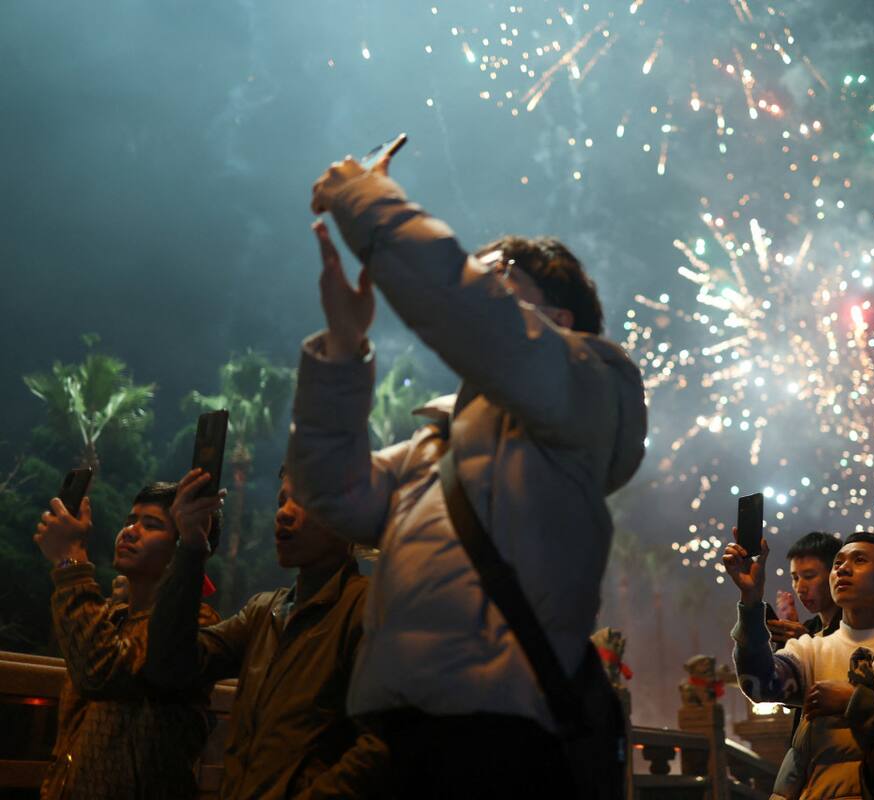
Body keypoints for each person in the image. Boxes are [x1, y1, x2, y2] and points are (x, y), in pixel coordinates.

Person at [286, 143, 647, 795]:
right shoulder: (434, 444)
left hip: (504, 737)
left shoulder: (591, 383)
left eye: (497, 271)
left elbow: (472, 312)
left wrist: (366, 198)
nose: (477, 273)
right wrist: (342, 347)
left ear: (559, 318)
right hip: (402, 734)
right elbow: (331, 493)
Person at [144, 468, 386, 800]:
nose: (283, 513)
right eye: (282, 501)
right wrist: (190, 547)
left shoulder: (370, 610)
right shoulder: (264, 612)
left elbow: (382, 747)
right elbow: (168, 666)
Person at [726, 531, 874, 800]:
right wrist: (751, 600)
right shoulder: (811, 649)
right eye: (838, 563)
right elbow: (759, 685)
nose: (842, 569)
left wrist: (853, 701)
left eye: (859, 560)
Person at [34, 481, 222, 800]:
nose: (131, 531)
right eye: (130, 521)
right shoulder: (111, 617)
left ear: (185, 547)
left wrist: (69, 560)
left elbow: (99, 670)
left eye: (152, 525)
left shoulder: (195, 626)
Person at [768, 531, 843, 647]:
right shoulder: (809, 628)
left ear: (834, 574)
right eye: (795, 578)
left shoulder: (856, 627)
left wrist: (805, 643)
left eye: (809, 576)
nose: (800, 589)